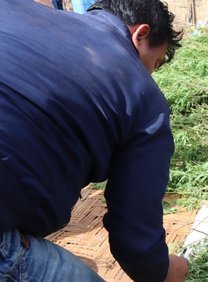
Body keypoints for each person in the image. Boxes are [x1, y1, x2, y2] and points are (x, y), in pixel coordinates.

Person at [0, 0, 187, 281]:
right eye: (155, 63)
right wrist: (165, 270)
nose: (150, 75)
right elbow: (135, 234)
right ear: (140, 34)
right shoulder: (144, 98)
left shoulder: (13, 9)